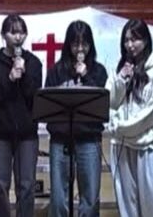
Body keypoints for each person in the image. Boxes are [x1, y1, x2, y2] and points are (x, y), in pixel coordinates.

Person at [108, 19, 153, 217]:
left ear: (145, 40)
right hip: (122, 145)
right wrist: (121, 80)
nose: (130, 45)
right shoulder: (122, 66)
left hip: (147, 146)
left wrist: (122, 127)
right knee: (128, 206)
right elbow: (110, 102)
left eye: (135, 40)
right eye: (126, 40)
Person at [44, 20, 109, 217]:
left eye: (84, 44)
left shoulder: (98, 71)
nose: (80, 49)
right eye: (75, 44)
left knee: (90, 197)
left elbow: (102, 103)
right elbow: (47, 104)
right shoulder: (56, 71)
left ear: (91, 45)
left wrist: (86, 76)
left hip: (89, 139)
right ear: (68, 45)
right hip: (61, 139)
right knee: (58, 198)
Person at [0, 15, 43, 217]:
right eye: (13, 32)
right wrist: (9, 79)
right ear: (3, 35)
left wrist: (23, 75)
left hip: (27, 134)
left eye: (21, 32)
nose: (18, 37)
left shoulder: (33, 63)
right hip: (0, 133)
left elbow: (35, 97)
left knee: (26, 186)